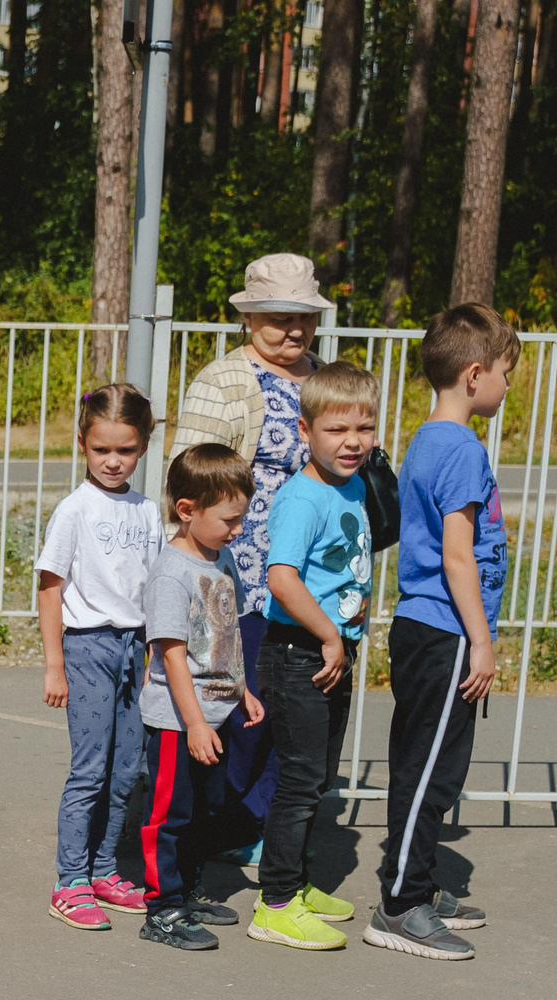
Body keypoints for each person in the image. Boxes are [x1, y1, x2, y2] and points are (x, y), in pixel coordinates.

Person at [366, 307, 520, 961]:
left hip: (425, 626)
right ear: (474, 374)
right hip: (445, 628)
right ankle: (399, 904)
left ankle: (418, 882)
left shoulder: (430, 437)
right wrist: (480, 640)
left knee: (423, 763)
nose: (509, 387)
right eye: (506, 375)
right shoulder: (459, 448)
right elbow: (458, 556)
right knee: (432, 771)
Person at [166, 253, 329, 869]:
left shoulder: (322, 377)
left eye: (303, 318)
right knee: (240, 707)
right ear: (249, 317)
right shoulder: (223, 382)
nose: (293, 330)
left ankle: (264, 826)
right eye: (278, 318)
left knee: (293, 709)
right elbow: (192, 477)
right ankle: (220, 829)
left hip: (310, 574)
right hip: (241, 573)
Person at [250, 361, 377, 952]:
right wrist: (330, 633)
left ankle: (296, 886)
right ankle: (274, 902)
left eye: (365, 428)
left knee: (319, 774)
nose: (352, 442)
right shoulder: (302, 498)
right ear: (305, 431)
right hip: (299, 653)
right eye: (336, 430)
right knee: (299, 779)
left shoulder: (350, 484)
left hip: (331, 652)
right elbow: (281, 578)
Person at [40, 382, 163, 930]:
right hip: (87, 646)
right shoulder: (75, 510)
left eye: (126, 450)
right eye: (101, 450)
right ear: (83, 445)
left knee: (128, 769)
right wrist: (54, 664)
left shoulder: (149, 511)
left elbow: (156, 585)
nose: (113, 461)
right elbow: (50, 587)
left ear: (144, 446)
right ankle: (69, 881)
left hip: (136, 648)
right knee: (89, 770)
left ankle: (105, 869)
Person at [134, 445, 264, 949]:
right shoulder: (172, 573)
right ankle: (162, 909)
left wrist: (243, 691)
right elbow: (171, 655)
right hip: (178, 720)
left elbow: (225, 636)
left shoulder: (221, 558)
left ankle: (188, 890)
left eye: (241, 518)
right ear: (187, 510)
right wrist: (193, 724)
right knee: (170, 815)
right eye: (229, 520)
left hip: (215, 712)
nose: (238, 530)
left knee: (207, 810)